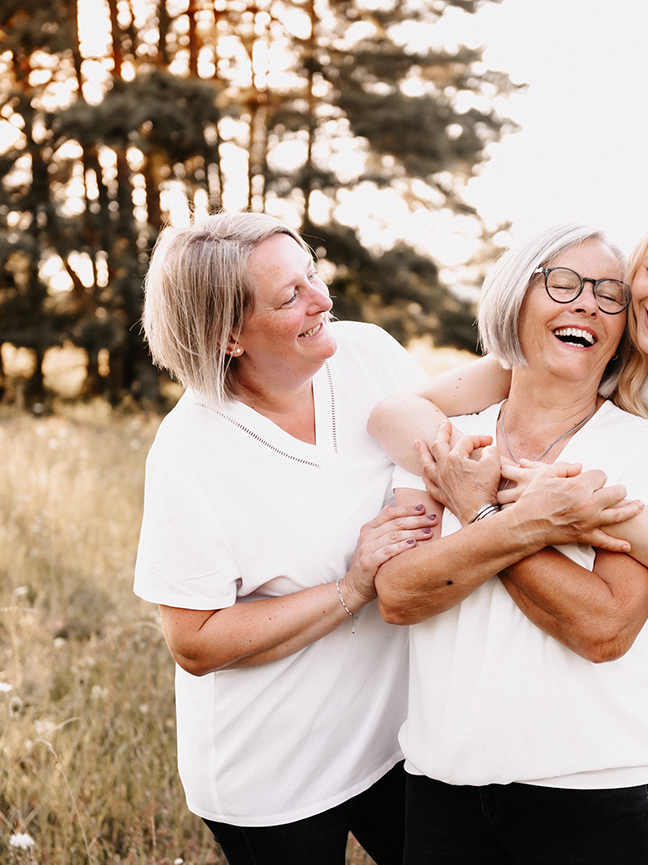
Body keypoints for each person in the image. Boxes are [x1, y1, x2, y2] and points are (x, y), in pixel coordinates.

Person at [370, 182, 648, 865]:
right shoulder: (604, 339)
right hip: (592, 670)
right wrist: (484, 480)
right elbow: (397, 414)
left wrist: (572, 505)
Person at [373, 223, 648, 864]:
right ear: (515, 298)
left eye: (609, 293)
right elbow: (400, 595)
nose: (588, 303)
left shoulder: (642, 449)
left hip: (593, 797)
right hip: (443, 792)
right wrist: (524, 523)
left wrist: (477, 510)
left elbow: (604, 628)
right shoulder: (447, 442)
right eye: (564, 283)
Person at [134, 212, 437, 865]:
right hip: (273, 771)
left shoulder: (368, 355)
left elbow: (442, 438)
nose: (321, 299)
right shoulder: (191, 449)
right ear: (228, 335)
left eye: (312, 274)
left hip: (394, 737)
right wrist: (353, 586)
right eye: (289, 296)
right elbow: (195, 641)